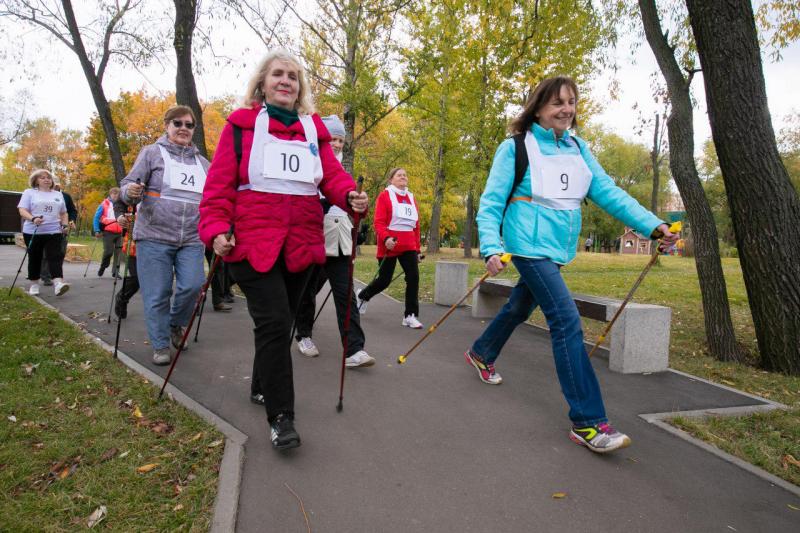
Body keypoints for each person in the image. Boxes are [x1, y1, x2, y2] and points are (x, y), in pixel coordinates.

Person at [464, 76, 678, 454]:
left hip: (557, 249)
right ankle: (588, 421)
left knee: (519, 305)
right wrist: (492, 247)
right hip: (527, 246)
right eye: (557, 103)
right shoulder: (515, 147)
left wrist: (654, 225)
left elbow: (608, 191)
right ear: (539, 107)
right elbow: (492, 201)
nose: (566, 109)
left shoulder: (579, 148)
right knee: (565, 320)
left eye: (572, 102)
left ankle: (482, 352)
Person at [199, 50, 368, 450]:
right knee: (275, 322)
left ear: (300, 88)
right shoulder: (240, 128)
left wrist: (350, 197)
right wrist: (216, 230)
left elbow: (333, 177)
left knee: (283, 322)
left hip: (301, 243)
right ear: (262, 82)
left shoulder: (313, 132)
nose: (286, 81)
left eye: (293, 76)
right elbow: (218, 189)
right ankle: (281, 417)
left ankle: (261, 385)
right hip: (252, 243)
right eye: (278, 74)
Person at [120, 105, 209, 366]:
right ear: (167, 126)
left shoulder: (203, 163)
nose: (183, 128)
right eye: (177, 123)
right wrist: (130, 192)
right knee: (157, 293)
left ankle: (175, 323)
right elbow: (126, 185)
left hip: (192, 237)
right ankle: (160, 344)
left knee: (193, 285)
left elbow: (212, 197)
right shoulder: (151, 153)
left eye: (189, 125)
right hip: (154, 235)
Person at [292, 114, 374, 368]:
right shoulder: (308, 162)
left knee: (345, 293)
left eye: (340, 140)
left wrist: (357, 208)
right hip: (313, 237)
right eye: (332, 138)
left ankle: (354, 350)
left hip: (338, 239)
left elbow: (350, 206)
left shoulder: (342, 171)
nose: (336, 144)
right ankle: (303, 334)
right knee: (307, 290)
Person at [356, 167, 423, 329]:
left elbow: (416, 226)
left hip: (408, 245)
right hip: (390, 244)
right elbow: (378, 222)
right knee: (384, 280)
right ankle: (363, 295)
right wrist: (386, 238)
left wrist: (418, 250)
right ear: (391, 179)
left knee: (413, 277)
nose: (403, 177)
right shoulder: (385, 196)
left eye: (405, 175)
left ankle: (410, 315)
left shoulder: (411, 197)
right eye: (399, 175)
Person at [16, 169, 70, 296]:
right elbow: (22, 210)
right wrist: (33, 218)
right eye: (42, 178)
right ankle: (34, 284)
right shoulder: (29, 193)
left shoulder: (57, 194)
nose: (46, 180)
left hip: (54, 231)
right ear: (36, 181)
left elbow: (63, 212)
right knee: (35, 258)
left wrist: (65, 224)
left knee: (55, 257)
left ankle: (58, 284)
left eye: (48, 177)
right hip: (33, 231)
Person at [40, 182, 77, 286]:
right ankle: (46, 276)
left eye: (56, 184)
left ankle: (57, 276)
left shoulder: (66, 196)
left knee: (60, 252)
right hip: (47, 228)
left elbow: (72, 211)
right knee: (46, 252)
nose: (54, 186)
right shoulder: (43, 195)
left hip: (62, 228)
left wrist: (72, 220)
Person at [93, 187, 123, 277]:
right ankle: (103, 266)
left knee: (118, 253)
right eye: (114, 194)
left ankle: (115, 272)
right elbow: (96, 217)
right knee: (108, 252)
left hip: (120, 232)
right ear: (110, 194)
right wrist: (97, 230)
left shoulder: (122, 205)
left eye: (117, 194)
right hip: (108, 232)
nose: (116, 196)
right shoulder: (104, 204)